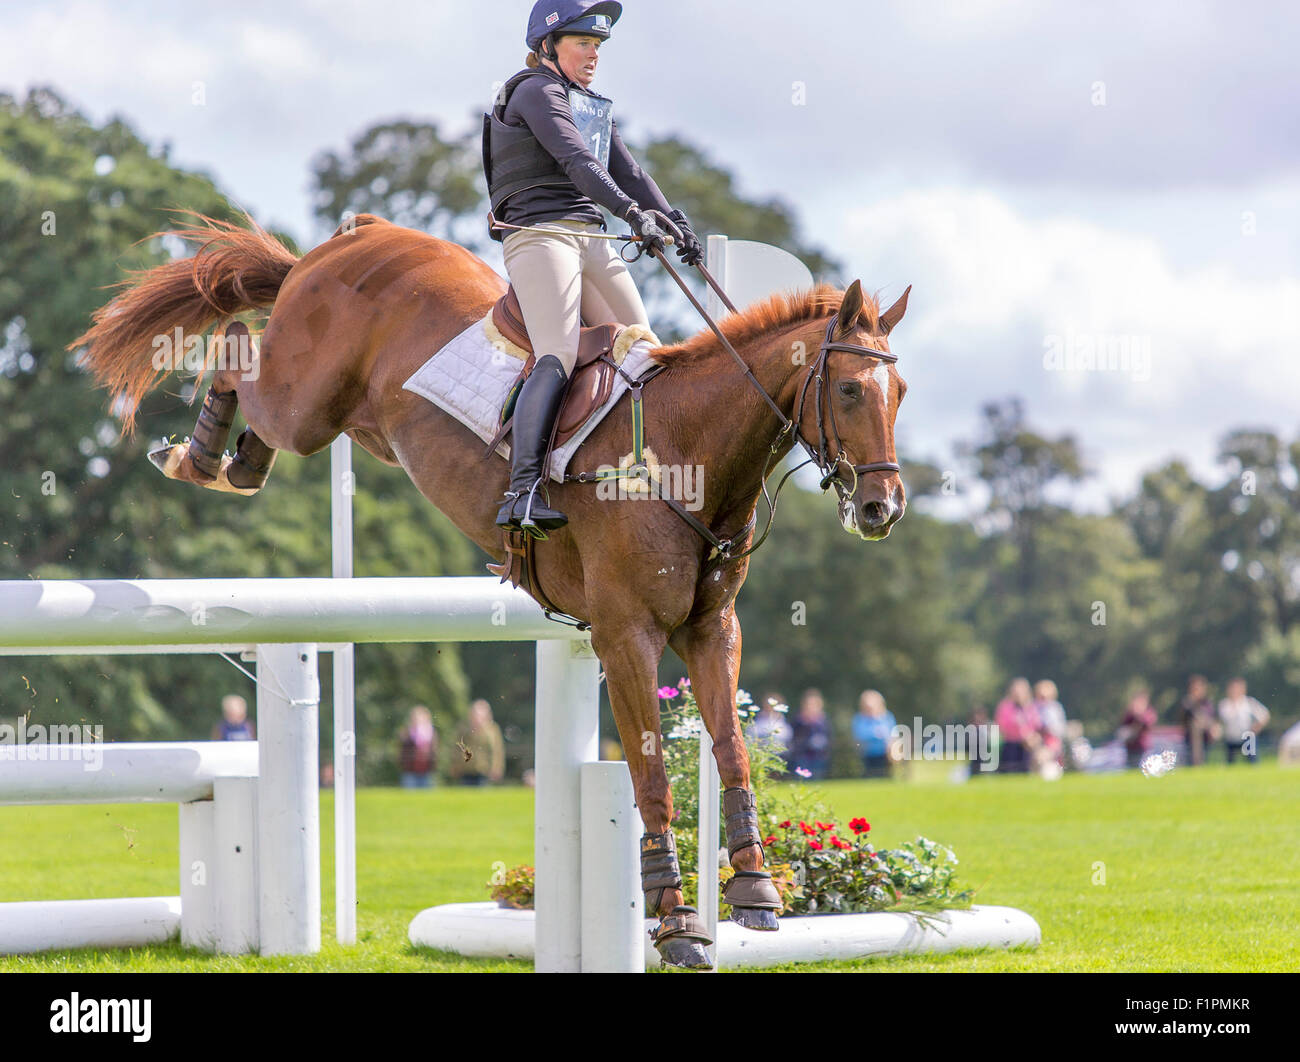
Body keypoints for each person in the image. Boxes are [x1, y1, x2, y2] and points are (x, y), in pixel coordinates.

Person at [484, 0, 704, 537]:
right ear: (547, 47)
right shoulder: (535, 91)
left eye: (599, 46)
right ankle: (524, 489)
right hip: (541, 236)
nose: (594, 55)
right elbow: (576, 163)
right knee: (557, 350)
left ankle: (634, 470)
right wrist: (633, 215)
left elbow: (626, 169)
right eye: (583, 43)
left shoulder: (589, 104)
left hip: (589, 236)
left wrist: (675, 221)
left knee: (645, 350)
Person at [453, 699, 506, 785]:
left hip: (484, 771)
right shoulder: (463, 729)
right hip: (466, 770)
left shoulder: (492, 730)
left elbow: (497, 751)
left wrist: (497, 768)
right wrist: (456, 766)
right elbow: (457, 749)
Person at [1217, 678, 1270, 765]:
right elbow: (1220, 720)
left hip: (1247, 737)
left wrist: (1256, 728)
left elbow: (1264, 715)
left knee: (1253, 762)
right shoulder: (1224, 704)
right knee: (1230, 763)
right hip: (1231, 738)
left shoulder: (1249, 702)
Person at [993, 678, 1040, 774]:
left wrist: (1030, 735)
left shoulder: (1031, 707)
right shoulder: (1005, 707)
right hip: (1011, 743)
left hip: (1028, 744)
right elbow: (1002, 725)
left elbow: (1036, 724)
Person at [789, 689, 832, 779]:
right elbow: (794, 737)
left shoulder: (823, 720)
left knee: (817, 777)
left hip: (819, 755)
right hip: (802, 755)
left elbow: (828, 736)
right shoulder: (798, 720)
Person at [852, 689, 896, 779]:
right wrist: (875, 736)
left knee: (885, 778)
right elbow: (860, 737)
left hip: (884, 755)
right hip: (867, 755)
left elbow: (893, 736)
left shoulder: (887, 717)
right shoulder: (859, 719)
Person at [1178, 674, 1219, 766]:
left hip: (1206, 738)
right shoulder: (1187, 703)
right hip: (1191, 740)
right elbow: (1184, 718)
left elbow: (1212, 718)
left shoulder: (1207, 703)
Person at [749, 692, 793, 771]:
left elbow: (787, 736)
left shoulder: (781, 720)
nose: (770, 707)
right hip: (760, 754)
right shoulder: (759, 719)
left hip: (779, 754)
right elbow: (751, 734)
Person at [397, 705, 439, 788]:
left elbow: (435, 752)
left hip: (427, 771)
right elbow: (401, 752)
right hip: (410, 771)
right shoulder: (406, 733)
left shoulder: (432, 734)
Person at [1031, 679, 1066, 773]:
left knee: (1042, 756)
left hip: (1052, 741)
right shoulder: (1033, 707)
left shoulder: (1055, 708)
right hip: (1036, 740)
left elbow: (1060, 729)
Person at [1117, 689, 1157, 769]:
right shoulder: (1129, 714)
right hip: (1131, 747)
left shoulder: (1148, 712)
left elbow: (1147, 724)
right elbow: (1124, 724)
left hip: (1143, 748)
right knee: (1131, 768)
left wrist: (1139, 715)